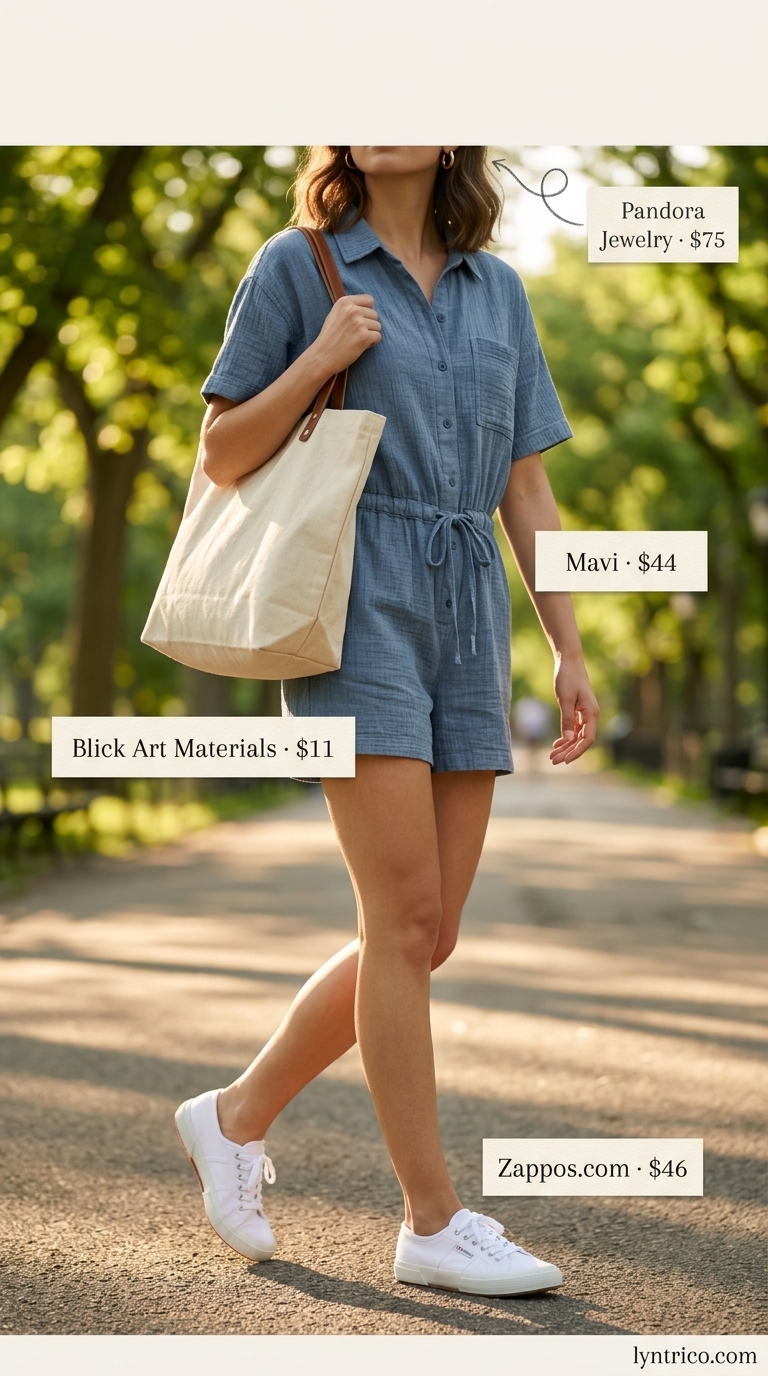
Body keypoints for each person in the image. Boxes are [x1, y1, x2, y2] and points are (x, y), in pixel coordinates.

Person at [174, 146, 599, 1297]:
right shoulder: (296, 265)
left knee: (428, 930)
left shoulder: (497, 288)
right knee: (402, 913)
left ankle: (234, 1112)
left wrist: (565, 640)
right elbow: (219, 453)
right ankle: (434, 1217)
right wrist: (321, 354)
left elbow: (526, 485)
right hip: (352, 599)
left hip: (469, 608)